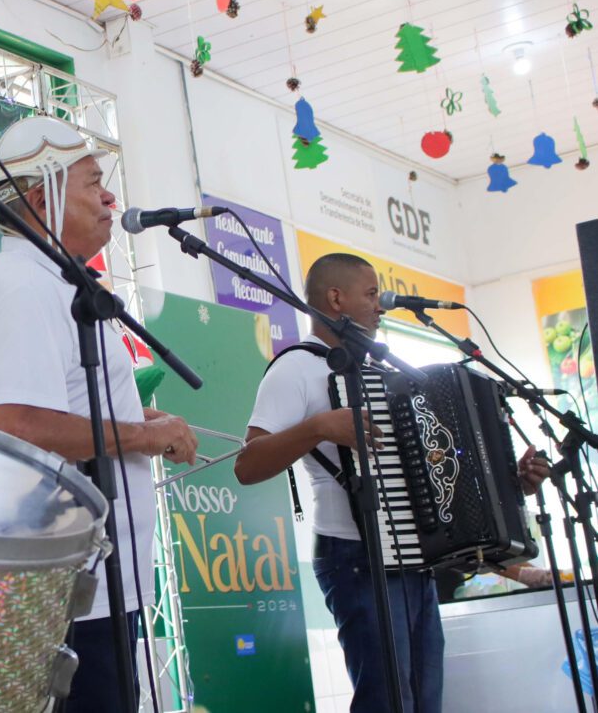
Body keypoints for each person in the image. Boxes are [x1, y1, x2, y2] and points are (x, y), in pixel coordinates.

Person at [0, 115, 198, 712]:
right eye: (93, 183)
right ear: (44, 199)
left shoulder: (51, 281)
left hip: (87, 583)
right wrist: (143, 436)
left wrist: (139, 419)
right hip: (63, 586)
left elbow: (58, 406)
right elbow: (17, 424)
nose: (110, 198)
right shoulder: (24, 284)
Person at [235, 252, 549, 713]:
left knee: (424, 699)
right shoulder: (296, 367)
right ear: (336, 298)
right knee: (386, 700)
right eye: (371, 294)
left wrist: (510, 484)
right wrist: (319, 427)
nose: (379, 306)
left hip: (412, 556)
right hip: (353, 555)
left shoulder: (380, 372)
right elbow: (247, 465)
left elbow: (430, 473)